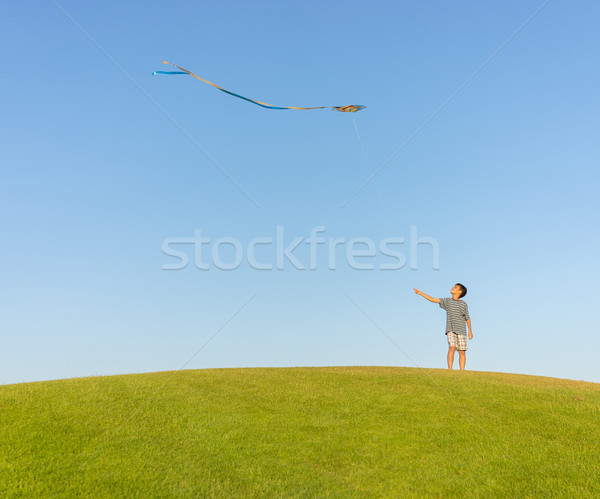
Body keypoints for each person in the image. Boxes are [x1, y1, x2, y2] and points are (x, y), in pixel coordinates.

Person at [414, 284, 473, 370]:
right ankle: (450, 369)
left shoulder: (463, 304)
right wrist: (420, 293)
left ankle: (462, 371)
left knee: (462, 351)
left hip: (462, 330)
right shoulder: (447, 301)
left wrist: (470, 331)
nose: (453, 288)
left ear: (460, 292)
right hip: (451, 329)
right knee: (452, 348)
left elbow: (467, 317)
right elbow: (433, 299)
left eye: (455, 287)